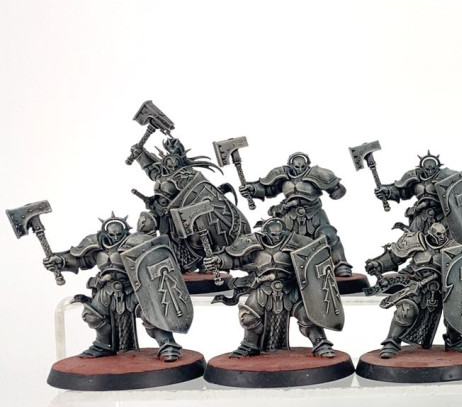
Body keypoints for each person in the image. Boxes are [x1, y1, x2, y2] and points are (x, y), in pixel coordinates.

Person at [43, 215, 184, 360]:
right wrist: (59, 261)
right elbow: (79, 259)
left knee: (152, 314)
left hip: (134, 288)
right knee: (92, 315)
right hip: (107, 289)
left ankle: (167, 344)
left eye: (119, 234)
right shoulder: (95, 246)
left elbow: (157, 256)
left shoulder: (136, 242)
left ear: (125, 232)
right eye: (112, 235)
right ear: (105, 233)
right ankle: (103, 345)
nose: (116, 237)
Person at [204, 218, 339, 358]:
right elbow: (235, 258)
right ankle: (249, 345)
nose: (277, 237)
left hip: (290, 289)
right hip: (263, 289)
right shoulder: (251, 243)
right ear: (265, 233)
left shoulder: (297, 242)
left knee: (308, 315)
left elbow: (315, 255)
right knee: (248, 317)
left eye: (280, 234)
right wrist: (218, 260)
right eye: (273, 234)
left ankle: (320, 343)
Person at [130, 136, 250, 272]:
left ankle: (207, 261)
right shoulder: (163, 175)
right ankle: (142, 257)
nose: (171, 166)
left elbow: (183, 189)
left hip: (183, 217)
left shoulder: (185, 177)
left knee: (195, 239)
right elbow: (152, 171)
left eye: (174, 163)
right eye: (169, 163)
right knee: (145, 222)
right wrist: (140, 155)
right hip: (162, 213)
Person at [365, 222, 462, 359]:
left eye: (444, 234)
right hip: (417, 286)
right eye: (438, 234)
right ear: (430, 233)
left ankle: (454, 340)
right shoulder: (415, 241)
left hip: (443, 289)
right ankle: (391, 342)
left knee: (454, 313)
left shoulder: (453, 246)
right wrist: (378, 264)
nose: (442, 237)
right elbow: (394, 257)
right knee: (405, 311)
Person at [239, 152, 353, 276]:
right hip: (289, 216)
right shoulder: (281, 175)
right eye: (297, 166)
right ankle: (284, 270)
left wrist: (337, 189)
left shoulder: (317, 174)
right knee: (283, 243)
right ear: (291, 165)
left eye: (302, 167)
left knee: (329, 235)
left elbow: (336, 190)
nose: (299, 169)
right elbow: (268, 189)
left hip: (314, 215)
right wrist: (252, 189)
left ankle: (341, 264)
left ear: (307, 164)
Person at [373, 152, 458, 235]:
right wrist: (387, 191)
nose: (430, 172)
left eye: (433, 169)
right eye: (427, 169)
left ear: (437, 167)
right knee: (413, 239)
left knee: (446, 237)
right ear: (422, 168)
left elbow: (460, 184)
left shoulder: (445, 176)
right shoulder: (414, 177)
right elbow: (401, 191)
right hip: (421, 215)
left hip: (441, 215)